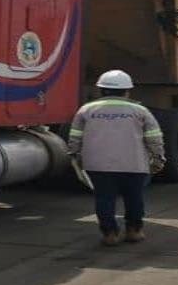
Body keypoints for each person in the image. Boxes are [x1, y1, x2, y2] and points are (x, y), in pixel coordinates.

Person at [68, 69, 167, 246]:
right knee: (134, 198)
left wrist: (75, 155)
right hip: (134, 163)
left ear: (101, 89)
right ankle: (134, 231)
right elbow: (154, 137)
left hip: (98, 164)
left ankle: (109, 234)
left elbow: (75, 137)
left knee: (104, 199)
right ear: (127, 90)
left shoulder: (86, 110)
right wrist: (158, 157)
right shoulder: (140, 110)